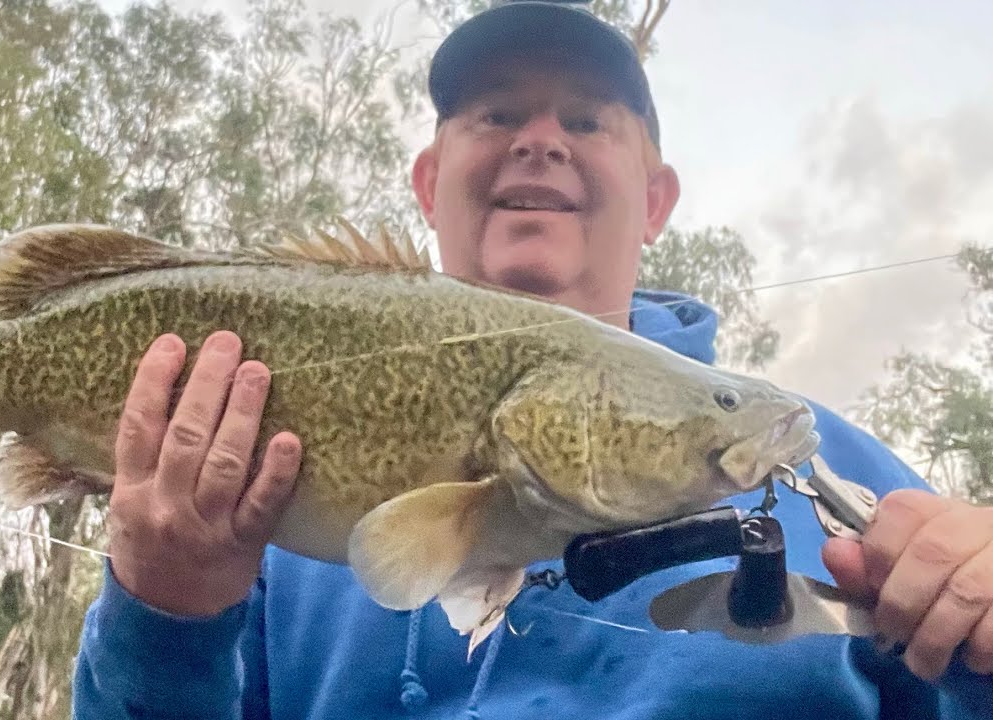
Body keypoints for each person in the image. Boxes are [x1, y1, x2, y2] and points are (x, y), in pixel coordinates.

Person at [72, 1, 993, 717]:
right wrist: (166, 613)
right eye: (498, 114)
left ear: (656, 199)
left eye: (587, 122)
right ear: (429, 183)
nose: (541, 140)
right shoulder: (250, 533)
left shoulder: (849, 489)